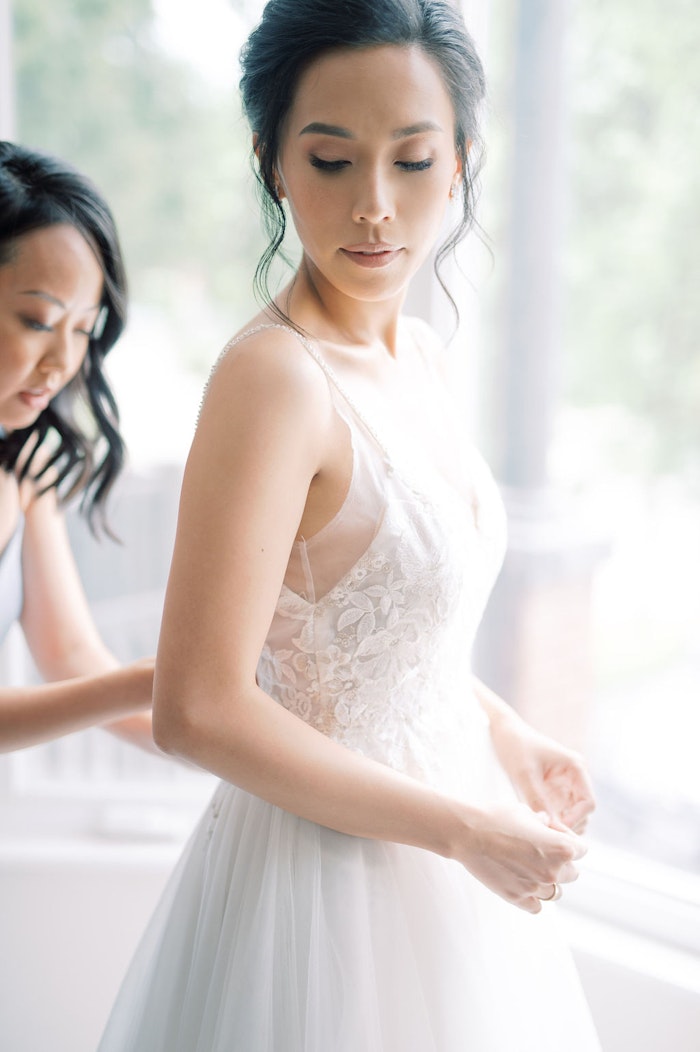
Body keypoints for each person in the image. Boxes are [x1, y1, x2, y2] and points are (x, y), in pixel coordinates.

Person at [98, 2, 602, 1049]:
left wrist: (504, 733)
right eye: (330, 160)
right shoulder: (272, 379)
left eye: (412, 160)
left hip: (453, 851)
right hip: (321, 885)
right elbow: (196, 706)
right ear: (272, 159)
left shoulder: (417, 353)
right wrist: (460, 827)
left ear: (461, 159)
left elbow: (367, 623)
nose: (375, 207)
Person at [0, 141, 154, 753]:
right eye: (38, 321)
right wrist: (159, 683)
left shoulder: (23, 466)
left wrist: (216, 739)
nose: (63, 363)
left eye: (83, 332)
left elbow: (70, 654)